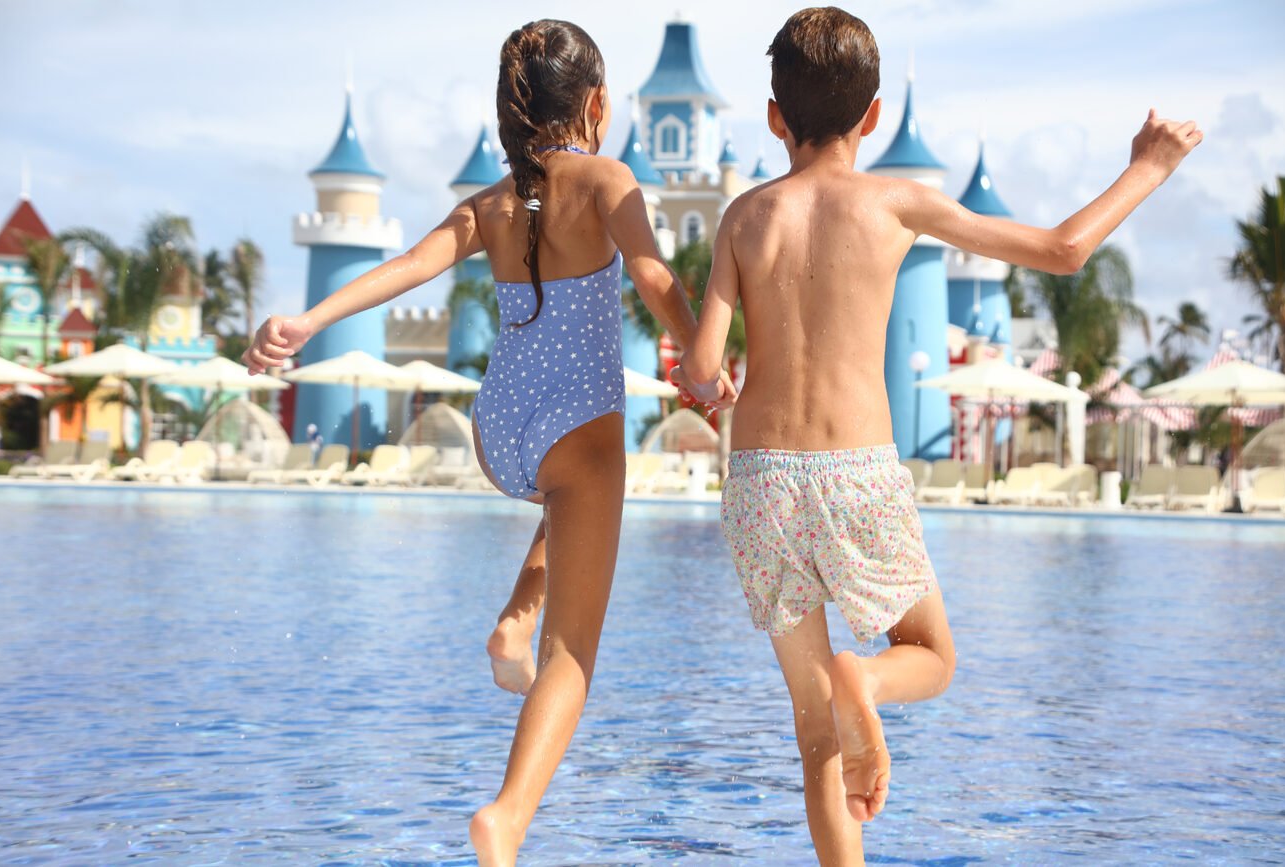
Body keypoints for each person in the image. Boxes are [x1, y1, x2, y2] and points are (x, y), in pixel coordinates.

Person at [672, 7, 1201, 863]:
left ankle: (845, 726)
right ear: (874, 115)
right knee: (930, 656)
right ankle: (868, 681)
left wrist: (709, 381)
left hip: (762, 476)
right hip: (858, 472)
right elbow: (1064, 250)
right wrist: (1149, 166)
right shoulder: (897, 201)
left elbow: (702, 366)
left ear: (774, 117)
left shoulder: (742, 217)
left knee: (815, 735)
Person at [243, 19, 733, 866]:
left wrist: (308, 318)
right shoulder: (607, 178)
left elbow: (410, 265)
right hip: (579, 419)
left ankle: (513, 619)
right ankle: (507, 814)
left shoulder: (492, 202)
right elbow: (654, 277)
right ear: (597, 104)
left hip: (500, 423)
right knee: (573, 652)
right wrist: (700, 353)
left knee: (567, 503)